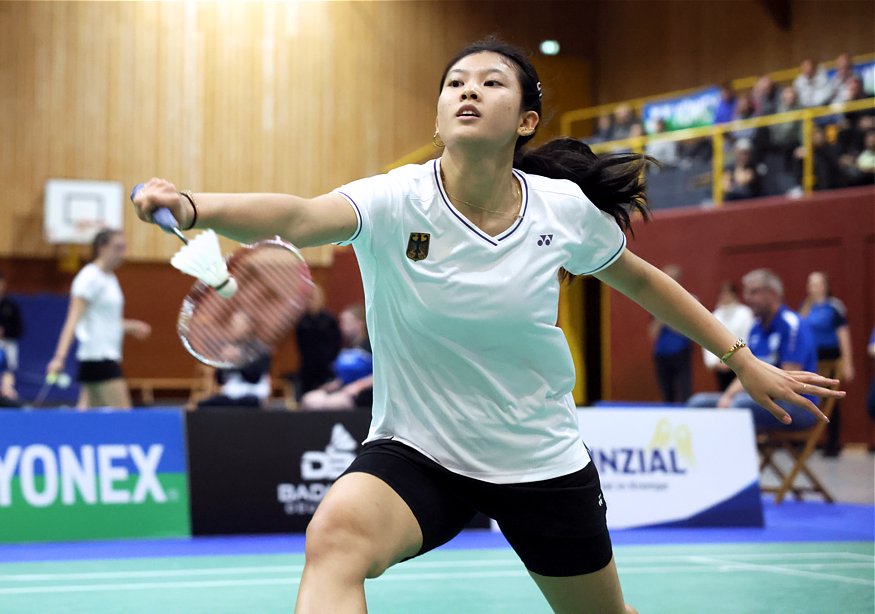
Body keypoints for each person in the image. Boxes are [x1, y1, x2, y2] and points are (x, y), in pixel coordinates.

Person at [133, 38, 841, 614]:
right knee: (335, 539)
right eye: (455, 84)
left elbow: (642, 280)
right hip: (419, 450)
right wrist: (192, 206)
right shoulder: (392, 200)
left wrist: (738, 355)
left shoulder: (561, 209)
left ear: (526, 120)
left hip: (538, 458)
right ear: (439, 117)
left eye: (491, 83)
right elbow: (295, 216)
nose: (468, 91)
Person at [688, 269, 821, 431]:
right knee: (698, 403)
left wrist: (734, 398)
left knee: (739, 406)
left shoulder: (792, 325)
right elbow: (746, 369)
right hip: (758, 399)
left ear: (772, 294)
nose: (747, 298)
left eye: (754, 292)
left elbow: (790, 379)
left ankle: (737, 456)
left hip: (797, 405)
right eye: (746, 292)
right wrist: (727, 396)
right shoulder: (755, 329)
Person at [46, 229, 152, 410]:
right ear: (102, 248)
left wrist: (131, 326)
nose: (122, 253)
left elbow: (106, 321)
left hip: (104, 355)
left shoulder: (110, 278)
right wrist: (59, 357)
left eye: (124, 248)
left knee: (87, 413)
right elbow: (73, 320)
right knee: (124, 415)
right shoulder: (89, 277)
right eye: (117, 247)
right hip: (98, 356)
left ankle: (68, 437)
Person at [799, 271, 854, 456]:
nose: (813, 287)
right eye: (810, 283)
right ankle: (811, 440)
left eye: (817, 283)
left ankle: (833, 442)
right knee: (812, 398)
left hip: (831, 359)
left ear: (825, 286)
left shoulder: (834, 307)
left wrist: (847, 362)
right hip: (812, 360)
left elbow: (843, 334)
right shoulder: (806, 307)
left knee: (831, 400)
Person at [300, 303, 373, 411]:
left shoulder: (370, 346)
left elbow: (379, 376)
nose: (341, 326)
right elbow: (345, 378)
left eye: (346, 322)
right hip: (344, 392)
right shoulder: (348, 347)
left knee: (328, 404)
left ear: (359, 324)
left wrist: (358, 386)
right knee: (309, 399)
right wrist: (330, 386)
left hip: (364, 396)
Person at [648, 265, 692, 403]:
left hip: (681, 352)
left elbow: (687, 330)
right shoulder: (654, 301)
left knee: (685, 391)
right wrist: (662, 310)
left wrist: (668, 311)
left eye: (672, 278)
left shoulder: (687, 300)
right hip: (661, 353)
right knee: (667, 394)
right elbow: (652, 333)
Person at [702, 282, 754, 391]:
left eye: (728, 293)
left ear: (734, 294)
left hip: (741, 363)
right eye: (722, 293)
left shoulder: (745, 313)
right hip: (720, 366)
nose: (725, 296)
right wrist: (714, 362)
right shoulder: (716, 314)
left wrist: (729, 357)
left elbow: (744, 338)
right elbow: (708, 339)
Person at [294, 283, 342, 398]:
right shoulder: (302, 321)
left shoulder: (329, 320)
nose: (311, 301)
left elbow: (336, 343)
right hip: (308, 367)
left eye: (313, 297)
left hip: (327, 366)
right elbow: (301, 345)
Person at [0, 271, 24, 378]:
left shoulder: (11, 306)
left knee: (8, 373)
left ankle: (7, 390)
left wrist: (5, 331)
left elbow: (19, 329)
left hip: (8, 345)